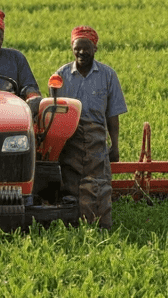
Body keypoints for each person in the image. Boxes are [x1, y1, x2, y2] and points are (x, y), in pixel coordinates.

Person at [53, 26, 126, 229]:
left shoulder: (107, 75)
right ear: (72, 48)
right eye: (77, 48)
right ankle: (72, 225)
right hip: (70, 137)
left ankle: (101, 226)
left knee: (99, 184)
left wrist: (115, 145)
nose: (81, 53)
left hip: (96, 136)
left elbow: (112, 114)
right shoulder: (61, 76)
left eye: (86, 48)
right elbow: (52, 113)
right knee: (70, 183)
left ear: (95, 49)